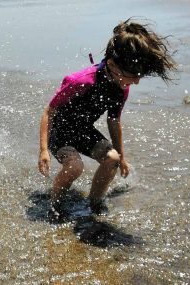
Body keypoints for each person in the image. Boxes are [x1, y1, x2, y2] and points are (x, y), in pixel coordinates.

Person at [38, 19, 176, 216]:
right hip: (60, 131)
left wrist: (122, 157)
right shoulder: (82, 81)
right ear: (112, 65)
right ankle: (55, 204)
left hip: (83, 131)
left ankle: (95, 203)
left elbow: (114, 121)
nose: (136, 81)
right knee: (75, 167)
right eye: (132, 76)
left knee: (112, 159)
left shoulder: (121, 89)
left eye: (139, 76)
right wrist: (43, 150)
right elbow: (49, 111)